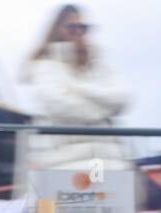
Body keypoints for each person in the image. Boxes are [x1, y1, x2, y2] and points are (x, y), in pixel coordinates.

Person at [22, 6, 132, 184]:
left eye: (83, 28)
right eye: (72, 27)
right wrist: (104, 107)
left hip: (105, 161)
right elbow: (58, 105)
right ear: (58, 29)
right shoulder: (45, 66)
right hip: (62, 162)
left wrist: (78, 88)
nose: (78, 33)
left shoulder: (98, 62)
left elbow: (122, 99)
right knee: (72, 209)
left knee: (105, 205)